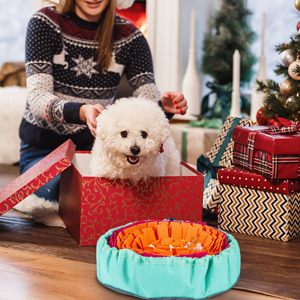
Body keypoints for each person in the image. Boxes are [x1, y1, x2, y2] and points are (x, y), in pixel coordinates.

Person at [18, 0, 188, 204]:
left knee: (109, 195)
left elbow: (148, 97)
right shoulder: (45, 22)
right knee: (62, 193)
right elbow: (38, 99)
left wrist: (162, 107)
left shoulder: (131, 37)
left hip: (97, 149)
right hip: (44, 149)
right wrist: (81, 111)